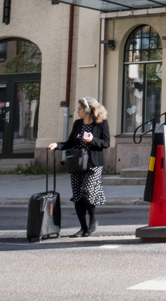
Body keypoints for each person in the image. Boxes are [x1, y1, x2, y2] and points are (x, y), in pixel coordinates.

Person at [48, 97, 111, 236]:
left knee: (87, 193)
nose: (77, 112)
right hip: (77, 163)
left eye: (80, 109)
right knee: (77, 196)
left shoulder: (101, 123)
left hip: (93, 163)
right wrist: (57, 145)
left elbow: (106, 143)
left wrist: (92, 140)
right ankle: (83, 228)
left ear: (88, 110)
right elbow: (70, 142)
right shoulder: (78, 123)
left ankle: (93, 221)